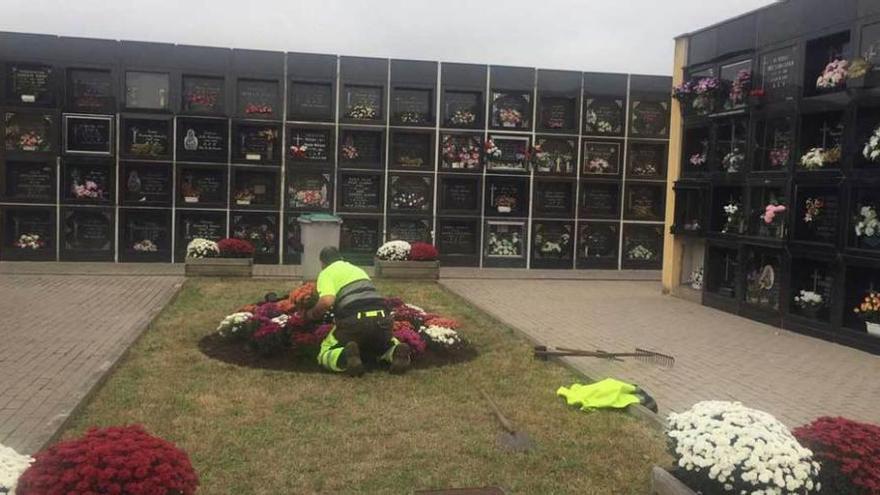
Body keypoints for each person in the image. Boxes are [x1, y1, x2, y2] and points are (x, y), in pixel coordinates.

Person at [305, 246, 411, 376]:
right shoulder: (357, 270)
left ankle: (345, 357)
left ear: (322, 263)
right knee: (385, 345)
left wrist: (311, 314)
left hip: (354, 321)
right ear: (341, 258)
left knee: (325, 351)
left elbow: (327, 301)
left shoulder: (326, 272)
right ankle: (396, 353)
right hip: (382, 320)